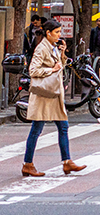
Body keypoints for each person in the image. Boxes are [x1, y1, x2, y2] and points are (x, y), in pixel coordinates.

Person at [21, 19, 86, 177]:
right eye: (56, 32)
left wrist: (62, 54)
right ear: (48, 33)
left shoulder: (52, 46)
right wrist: (52, 69)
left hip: (54, 94)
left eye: (59, 32)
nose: (59, 35)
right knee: (37, 129)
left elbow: (60, 66)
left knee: (63, 127)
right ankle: (27, 164)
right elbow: (33, 70)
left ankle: (67, 162)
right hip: (44, 95)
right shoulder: (41, 48)